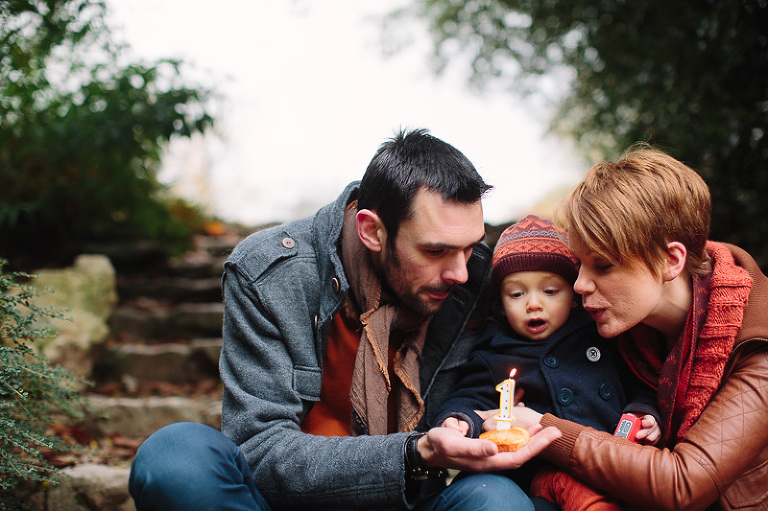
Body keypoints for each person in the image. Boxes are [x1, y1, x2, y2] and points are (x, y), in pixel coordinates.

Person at [128, 128, 561, 511]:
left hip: (414, 501)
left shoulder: (479, 285)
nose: (460, 273)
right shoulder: (270, 274)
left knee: (496, 499)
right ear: (371, 230)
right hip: (283, 503)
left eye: (469, 248)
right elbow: (259, 450)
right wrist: (414, 452)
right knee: (174, 456)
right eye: (435, 251)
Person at [504, 146, 768, 510]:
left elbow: (683, 484)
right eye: (580, 264)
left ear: (670, 261)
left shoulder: (759, 343)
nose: (579, 285)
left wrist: (542, 429)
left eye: (603, 265)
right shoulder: (625, 332)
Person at [434, 214, 660, 511]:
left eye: (550, 291)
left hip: (616, 463)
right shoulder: (497, 353)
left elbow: (637, 382)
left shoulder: (601, 336)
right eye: (516, 294)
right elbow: (470, 398)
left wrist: (644, 412)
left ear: (574, 294)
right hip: (545, 475)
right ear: (500, 304)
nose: (533, 304)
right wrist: (463, 420)